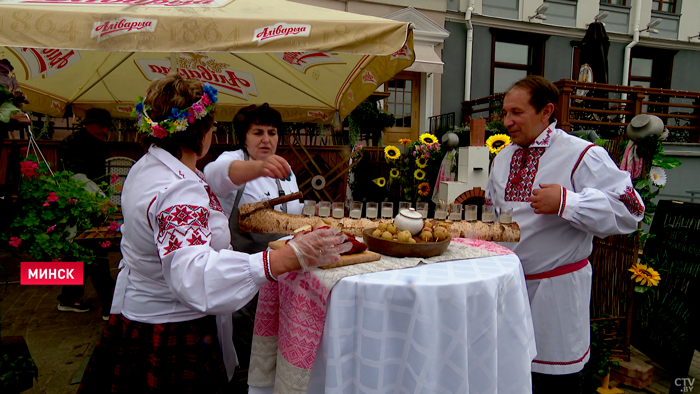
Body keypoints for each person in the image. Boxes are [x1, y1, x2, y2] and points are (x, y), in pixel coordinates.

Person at [78, 73, 351, 393]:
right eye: (211, 125)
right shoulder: (178, 189)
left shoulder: (149, 167)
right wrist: (282, 260)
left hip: (143, 314)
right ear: (201, 131)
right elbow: (192, 273)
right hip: (171, 329)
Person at [485, 76, 644, 392]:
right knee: (509, 377)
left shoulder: (582, 154)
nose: (507, 121)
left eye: (516, 112)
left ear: (546, 111)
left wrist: (567, 202)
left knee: (552, 383)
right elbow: (494, 216)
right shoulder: (503, 157)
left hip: (554, 296)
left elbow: (631, 211)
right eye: (504, 113)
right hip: (507, 292)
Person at [203, 103, 301, 389]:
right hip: (245, 279)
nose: (266, 139)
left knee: (276, 343)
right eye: (257, 132)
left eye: (272, 132)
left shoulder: (286, 169)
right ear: (243, 137)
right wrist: (259, 167)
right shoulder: (233, 161)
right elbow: (214, 173)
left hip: (282, 276)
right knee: (247, 346)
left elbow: (294, 212)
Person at [56, 108, 115, 319]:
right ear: (87, 124)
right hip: (82, 208)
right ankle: (112, 307)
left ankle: (68, 298)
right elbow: (76, 176)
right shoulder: (75, 143)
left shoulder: (91, 142)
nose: (105, 130)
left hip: (88, 207)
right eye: (100, 125)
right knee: (96, 256)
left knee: (80, 256)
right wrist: (100, 199)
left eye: (107, 126)